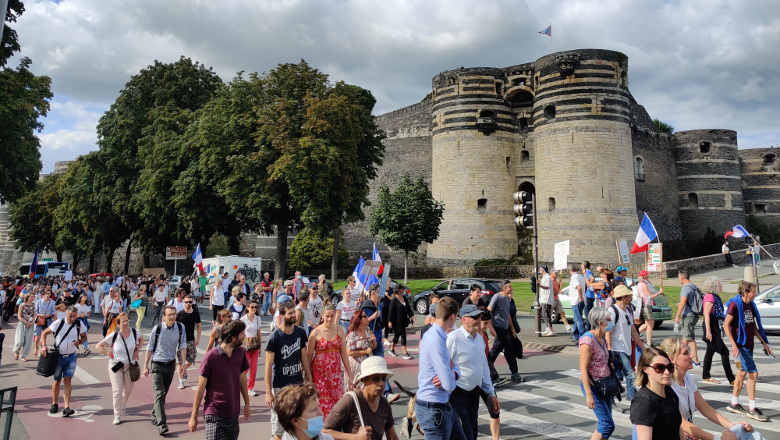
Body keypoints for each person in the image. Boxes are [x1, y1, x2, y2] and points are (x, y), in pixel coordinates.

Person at [659, 337, 754, 440]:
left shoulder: (686, 377)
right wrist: (716, 438)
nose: (692, 355)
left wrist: (733, 426)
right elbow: (682, 423)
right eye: (685, 353)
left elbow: (705, 408)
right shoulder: (667, 386)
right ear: (672, 359)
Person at [188, 320, 251, 440]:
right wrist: (194, 416)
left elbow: (242, 377)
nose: (245, 336)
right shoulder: (210, 357)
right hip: (214, 414)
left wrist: (247, 403)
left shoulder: (240, 352)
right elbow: (200, 388)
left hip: (233, 414)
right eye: (242, 333)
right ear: (233, 338)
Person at [415, 296, 466, 439]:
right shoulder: (436, 340)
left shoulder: (436, 335)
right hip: (434, 409)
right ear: (452, 316)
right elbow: (449, 384)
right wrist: (452, 373)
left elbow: (454, 369)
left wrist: (453, 373)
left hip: (442, 406)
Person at [447, 304, 499, 440]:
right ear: (464, 319)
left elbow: (484, 368)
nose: (478, 320)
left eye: (479, 316)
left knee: (473, 432)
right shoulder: (453, 338)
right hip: (457, 393)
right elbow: (443, 365)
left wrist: (491, 394)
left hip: (474, 393)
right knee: (466, 434)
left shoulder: (480, 339)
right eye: (474, 317)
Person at [724, 281, 772, 421]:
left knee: (742, 372)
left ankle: (734, 403)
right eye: (753, 291)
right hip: (740, 344)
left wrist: (763, 342)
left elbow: (753, 326)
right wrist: (733, 344)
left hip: (748, 344)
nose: (755, 293)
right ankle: (752, 408)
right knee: (753, 373)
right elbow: (726, 326)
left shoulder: (750, 304)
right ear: (745, 292)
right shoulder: (735, 304)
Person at [266, 301, 313, 440]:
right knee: (279, 420)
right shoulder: (274, 337)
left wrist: (309, 379)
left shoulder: (300, 332)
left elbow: (303, 356)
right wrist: (268, 392)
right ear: (282, 315)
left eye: (294, 312)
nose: (294, 315)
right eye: (290, 313)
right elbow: (268, 366)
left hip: (297, 383)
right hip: (280, 385)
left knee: (298, 418)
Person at [323, 356, 399, 440]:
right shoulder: (350, 400)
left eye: (383, 379)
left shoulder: (384, 403)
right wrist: (355, 437)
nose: (381, 383)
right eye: (376, 379)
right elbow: (324, 431)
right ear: (364, 380)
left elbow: (392, 437)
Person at [144, 305, 188, 435]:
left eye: (174, 314)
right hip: (157, 364)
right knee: (159, 393)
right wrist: (145, 366)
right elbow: (150, 347)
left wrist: (183, 364)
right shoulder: (157, 329)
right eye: (169, 314)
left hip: (170, 365)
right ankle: (162, 424)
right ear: (164, 316)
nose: (172, 316)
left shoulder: (180, 328)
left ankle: (154, 414)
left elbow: (183, 345)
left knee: (163, 393)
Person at [95, 312, 143, 425]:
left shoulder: (135, 332)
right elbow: (98, 346)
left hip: (129, 365)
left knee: (129, 389)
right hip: (116, 365)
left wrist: (138, 350)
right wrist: (108, 354)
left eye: (127, 320)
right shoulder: (114, 335)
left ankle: (122, 404)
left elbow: (142, 340)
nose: (125, 323)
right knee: (117, 391)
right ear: (118, 324)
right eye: (123, 322)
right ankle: (117, 415)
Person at [39, 306, 87, 417]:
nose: (73, 318)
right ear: (66, 314)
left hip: (71, 356)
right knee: (57, 380)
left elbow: (84, 337)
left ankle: (66, 407)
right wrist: (43, 346)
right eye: (70, 316)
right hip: (58, 356)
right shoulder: (59, 323)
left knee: (68, 380)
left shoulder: (79, 324)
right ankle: (54, 403)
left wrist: (79, 341)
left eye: (75, 316)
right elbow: (44, 333)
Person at [308, 299, 352, 418]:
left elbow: (344, 354)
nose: (329, 319)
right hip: (319, 375)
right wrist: (308, 378)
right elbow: (308, 357)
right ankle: (324, 432)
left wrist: (350, 375)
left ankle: (336, 431)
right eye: (327, 316)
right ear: (322, 315)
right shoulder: (315, 333)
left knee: (338, 404)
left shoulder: (340, 330)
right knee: (323, 404)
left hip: (335, 375)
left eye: (332, 316)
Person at [629, 346, 684, 440]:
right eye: (659, 368)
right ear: (645, 369)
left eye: (669, 367)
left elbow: (678, 429)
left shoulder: (669, 391)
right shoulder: (644, 402)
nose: (666, 372)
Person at [579, 307, 615, 440]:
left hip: (605, 385)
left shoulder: (602, 338)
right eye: (609, 320)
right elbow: (583, 368)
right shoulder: (588, 340)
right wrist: (589, 394)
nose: (611, 323)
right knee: (607, 425)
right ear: (600, 323)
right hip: (593, 386)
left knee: (604, 423)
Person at [605, 285, 646, 401]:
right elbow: (608, 332)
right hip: (617, 349)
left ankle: (612, 397)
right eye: (629, 295)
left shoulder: (628, 310)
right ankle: (635, 402)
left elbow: (633, 331)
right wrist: (609, 351)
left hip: (626, 348)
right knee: (630, 375)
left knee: (617, 376)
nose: (631, 297)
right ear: (623, 298)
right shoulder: (612, 311)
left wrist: (643, 348)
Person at [700, 276, 736, 385]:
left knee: (710, 352)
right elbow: (706, 314)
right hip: (711, 325)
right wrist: (708, 331)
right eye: (719, 284)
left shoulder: (715, 297)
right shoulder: (710, 297)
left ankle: (706, 375)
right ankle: (731, 379)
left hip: (715, 324)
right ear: (714, 286)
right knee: (724, 351)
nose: (721, 286)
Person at [487, 281, 523, 383]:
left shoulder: (507, 298)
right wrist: (490, 327)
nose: (512, 289)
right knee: (509, 349)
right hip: (498, 327)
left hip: (505, 327)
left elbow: (508, 315)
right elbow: (489, 310)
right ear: (503, 287)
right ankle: (514, 373)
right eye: (510, 287)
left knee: (495, 350)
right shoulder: (496, 297)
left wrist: (512, 328)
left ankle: (486, 369)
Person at [675, 269, 702, 367]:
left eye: (678, 276)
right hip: (694, 314)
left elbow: (683, 303)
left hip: (689, 315)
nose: (678, 278)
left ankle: (696, 360)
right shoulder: (694, 286)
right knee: (685, 337)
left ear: (682, 277)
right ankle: (682, 357)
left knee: (689, 338)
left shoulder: (685, 288)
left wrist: (677, 315)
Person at [345, 308, 377, 389]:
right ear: (359, 320)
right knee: (356, 392)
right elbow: (349, 352)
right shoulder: (353, 334)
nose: (367, 317)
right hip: (356, 368)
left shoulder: (368, 330)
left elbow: (372, 347)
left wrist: (374, 342)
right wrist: (365, 351)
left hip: (367, 365)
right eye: (364, 316)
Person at [176, 294, 202, 389]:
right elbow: (174, 327)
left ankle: (184, 369)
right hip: (180, 342)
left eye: (190, 302)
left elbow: (199, 326)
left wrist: (198, 338)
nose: (188, 303)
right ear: (183, 303)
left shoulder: (195, 313)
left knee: (191, 360)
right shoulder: (179, 314)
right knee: (180, 361)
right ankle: (180, 381)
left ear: (192, 303)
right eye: (186, 302)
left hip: (191, 340)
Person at [240, 300, 263, 396]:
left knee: (254, 368)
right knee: (246, 366)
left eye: (255, 307)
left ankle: (250, 388)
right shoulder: (243, 319)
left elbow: (259, 333)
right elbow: (240, 333)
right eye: (252, 307)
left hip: (255, 345)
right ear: (248, 307)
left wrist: (260, 346)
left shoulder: (258, 319)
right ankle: (238, 381)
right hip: (246, 345)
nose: (254, 309)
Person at [637, 270, 663, 346]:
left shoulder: (639, 284)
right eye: (647, 276)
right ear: (645, 277)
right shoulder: (644, 285)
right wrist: (658, 293)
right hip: (646, 305)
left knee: (648, 324)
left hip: (644, 304)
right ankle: (647, 341)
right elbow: (649, 297)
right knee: (650, 324)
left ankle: (646, 340)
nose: (648, 277)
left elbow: (639, 295)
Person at [387, 286, 415, 359]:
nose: (404, 290)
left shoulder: (404, 298)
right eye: (402, 289)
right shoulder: (394, 300)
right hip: (397, 320)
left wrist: (412, 315)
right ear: (398, 290)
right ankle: (405, 353)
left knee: (397, 334)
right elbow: (390, 311)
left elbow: (408, 307)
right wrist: (390, 321)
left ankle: (391, 349)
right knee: (403, 334)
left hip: (403, 319)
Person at [12, 292, 35, 362]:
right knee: (20, 340)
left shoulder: (33, 305)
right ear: (27, 297)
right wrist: (26, 322)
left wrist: (32, 323)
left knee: (27, 341)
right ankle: (16, 352)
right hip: (22, 324)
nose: (32, 298)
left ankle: (23, 356)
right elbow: (19, 316)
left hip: (30, 325)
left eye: (33, 297)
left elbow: (34, 316)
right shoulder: (22, 305)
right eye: (31, 296)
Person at [34, 289, 56, 357]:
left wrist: (48, 315)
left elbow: (53, 312)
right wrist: (40, 315)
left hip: (47, 320)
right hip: (40, 320)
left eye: (49, 294)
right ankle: (36, 348)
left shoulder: (52, 302)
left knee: (44, 336)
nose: (47, 295)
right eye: (46, 293)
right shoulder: (39, 302)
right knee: (37, 337)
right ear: (43, 294)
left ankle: (41, 349)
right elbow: (36, 312)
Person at [569, 264, 587, 341]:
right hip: (581, 300)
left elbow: (579, 287)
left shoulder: (574, 277)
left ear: (570, 271)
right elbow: (584, 287)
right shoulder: (580, 276)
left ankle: (582, 336)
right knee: (576, 318)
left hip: (577, 301)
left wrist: (580, 297)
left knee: (579, 319)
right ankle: (575, 335)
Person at [538, 265, 555, 336]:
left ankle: (550, 328)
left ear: (543, 269)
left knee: (546, 314)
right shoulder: (545, 277)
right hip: (543, 298)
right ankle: (548, 328)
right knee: (545, 314)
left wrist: (540, 285)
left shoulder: (547, 277)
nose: (539, 270)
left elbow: (547, 287)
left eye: (540, 268)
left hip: (546, 299)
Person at [582, 261, 596, 331]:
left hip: (588, 296)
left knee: (587, 314)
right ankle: (591, 329)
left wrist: (590, 284)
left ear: (584, 266)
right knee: (589, 314)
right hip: (591, 296)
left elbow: (592, 278)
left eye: (582, 265)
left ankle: (588, 330)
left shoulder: (587, 272)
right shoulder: (589, 272)